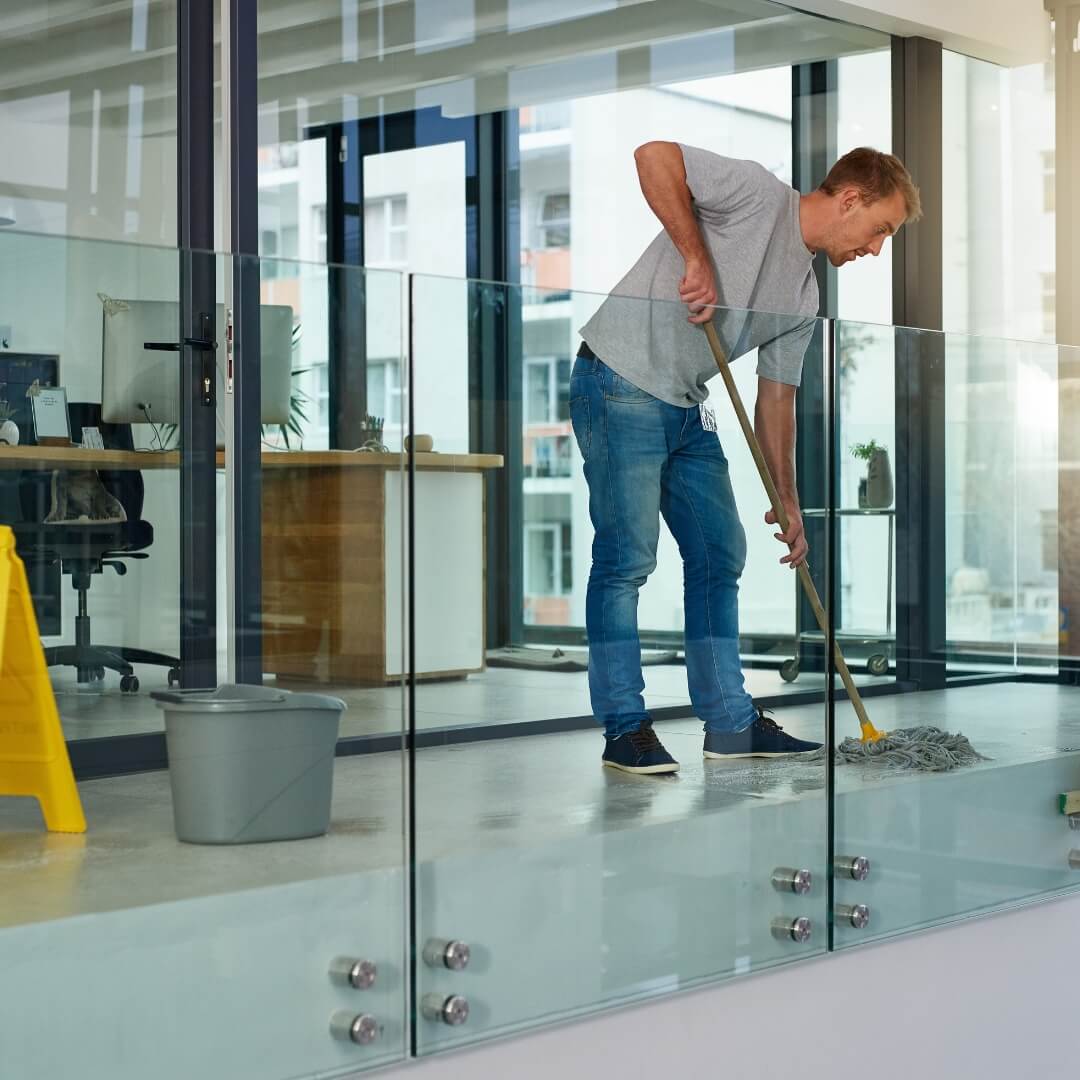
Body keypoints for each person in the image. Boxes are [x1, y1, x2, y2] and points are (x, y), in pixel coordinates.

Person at [572, 144, 921, 775]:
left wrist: (786, 497)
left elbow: (776, 401)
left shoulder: (804, 293)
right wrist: (696, 257)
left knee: (720, 551)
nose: (876, 248)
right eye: (880, 229)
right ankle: (625, 729)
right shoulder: (758, 194)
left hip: (683, 402)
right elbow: (653, 156)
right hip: (618, 379)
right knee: (627, 557)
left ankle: (730, 725)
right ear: (849, 199)